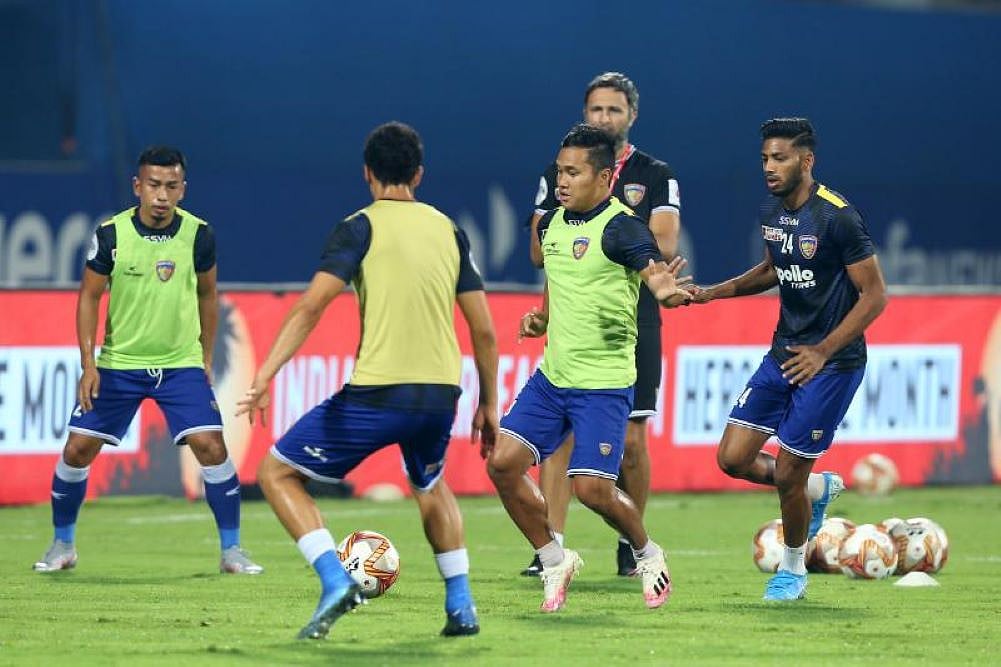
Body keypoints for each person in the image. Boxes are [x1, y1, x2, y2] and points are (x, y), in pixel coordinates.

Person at [237, 122, 498, 639]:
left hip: (378, 393)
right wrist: (488, 403)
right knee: (429, 483)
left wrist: (265, 373)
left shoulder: (358, 228)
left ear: (367, 173)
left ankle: (335, 580)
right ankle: (461, 603)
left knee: (276, 473)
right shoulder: (449, 229)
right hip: (440, 394)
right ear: (418, 174)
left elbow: (312, 306)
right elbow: (485, 330)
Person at [486, 123, 690, 613]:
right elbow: (558, 277)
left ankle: (647, 553)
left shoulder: (624, 227)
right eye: (559, 171)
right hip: (553, 378)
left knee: (593, 491)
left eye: (573, 173)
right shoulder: (552, 224)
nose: (562, 181)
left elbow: (652, 271)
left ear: (603, 178)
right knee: (503, 463)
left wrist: (664, 290)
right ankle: (554, 559)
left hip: (603, 383)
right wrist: (543, 318)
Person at [33, 146, 262, 576]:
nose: (162, 195)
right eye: (154, 185)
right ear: (137, 186)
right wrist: (89, 364)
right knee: (77, 449)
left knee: (212, 447)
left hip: (179, 364)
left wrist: (205, 356)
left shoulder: (199, 234)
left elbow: (208, 295)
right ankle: (62, 544)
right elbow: (89, 297)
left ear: (182, 189)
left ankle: (232, 551)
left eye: (171, 186)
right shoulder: (112, 235)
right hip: (120, 364)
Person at [691, 118, 888, 601]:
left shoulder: (838, 217)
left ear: (807, 160)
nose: (769, 168)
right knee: (732, 458)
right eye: (764, 159)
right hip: (783, 354)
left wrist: (824, 350)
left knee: (787, 474)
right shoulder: (772, 211)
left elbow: (875, 295)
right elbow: (773, 269)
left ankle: (794, 570)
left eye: (779, 158)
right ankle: (819, 490)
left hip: (832, 365)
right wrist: (715, 292)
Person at [522, 72, 681, 577]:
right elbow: (544, 250)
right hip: (573, 317)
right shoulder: (560, 172)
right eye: (596, 109)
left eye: (614, 109)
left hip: (631, 317)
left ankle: (630, 545)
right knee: (556, 439)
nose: (604, 117)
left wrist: (614, 229)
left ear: (632, 115)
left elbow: (663, 245)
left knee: (631, 442)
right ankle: (551, 547)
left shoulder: (655, 174)